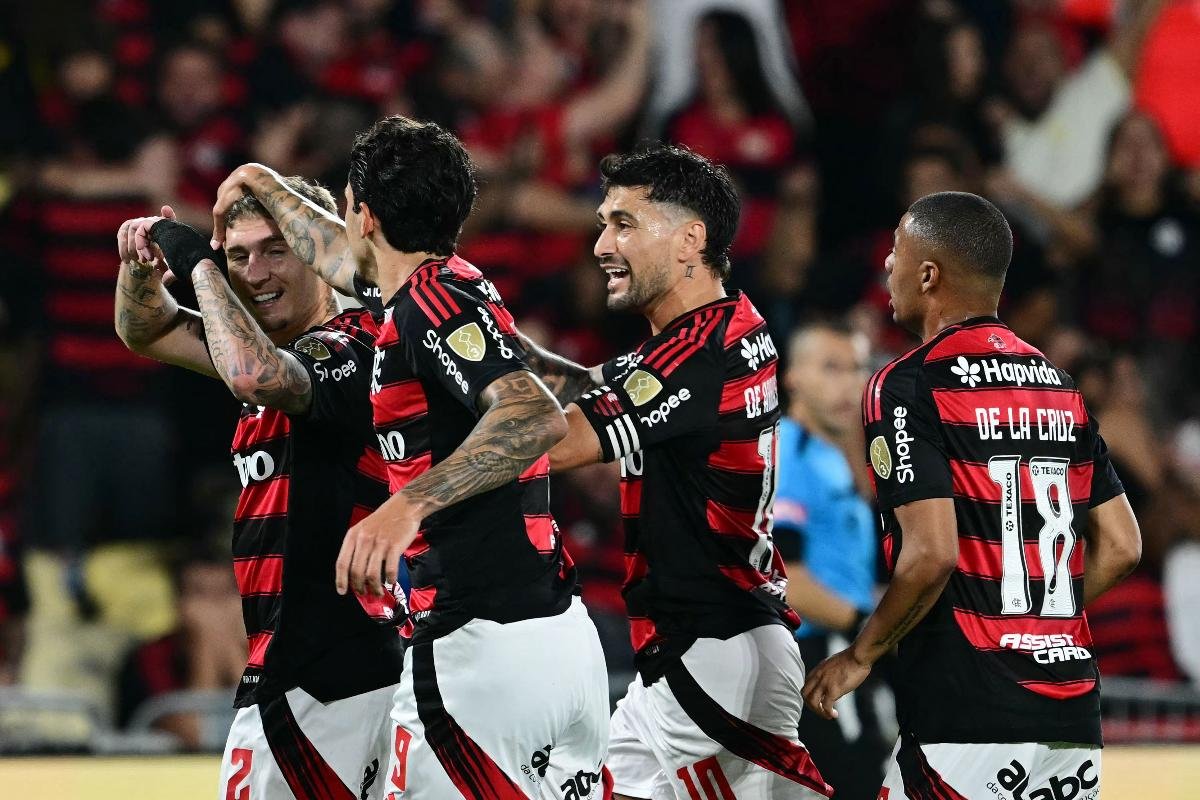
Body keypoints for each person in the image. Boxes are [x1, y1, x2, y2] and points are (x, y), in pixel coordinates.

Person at [210, 116, 610, 800]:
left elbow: (532, 413)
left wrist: (405, 507)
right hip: (560, 638)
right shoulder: (455, 284)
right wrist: (257, 181)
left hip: (482, 644)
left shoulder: (425, 307)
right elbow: (335, 255)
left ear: (362, 216)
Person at [515, 143, 832, 799]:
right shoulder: (719, 331)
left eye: (623, 223)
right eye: (603, 222)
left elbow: (557, 440)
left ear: (692, 240)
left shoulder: (695, 353)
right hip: (688, 656)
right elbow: (587, 383)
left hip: (718, 655)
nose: (601, 244)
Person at [802, 191, 1142, 797]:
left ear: (928, 274)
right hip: (1070, 714)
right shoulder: (1059, 387)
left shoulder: (908, 383)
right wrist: (1037, 624)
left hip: (969, 713)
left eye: (897, 252)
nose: (886, 265)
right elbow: (1121, 545)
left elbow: (931, 553)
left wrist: (862, 655)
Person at [114, 177, 404, 799]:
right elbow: (144, 331)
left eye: (276, 250)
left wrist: (199, 267)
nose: (255, 271)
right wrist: (141, 266)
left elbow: (253, 375)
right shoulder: (268, 353)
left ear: (321, 251)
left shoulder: (352, 347)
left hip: (326, 665)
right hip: (318, 664)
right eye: (239, 255)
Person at [774, 320, 892, 798]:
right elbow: (786, 578)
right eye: (830, 368)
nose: (849, 383)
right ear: (792, 377)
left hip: (841, 650)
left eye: (857, 368)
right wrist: (877, 627)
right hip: (808, 659)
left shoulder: (828, 455)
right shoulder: (788, 452)